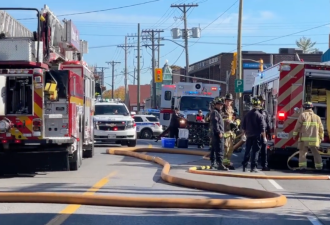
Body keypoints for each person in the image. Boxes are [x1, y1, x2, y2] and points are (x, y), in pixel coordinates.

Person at [292, 102, 324, 170]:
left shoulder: (302, 115)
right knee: (316, 153)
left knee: (303, 153)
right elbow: (321, 129)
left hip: (304, 139)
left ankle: (303, 167)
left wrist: (295, 135)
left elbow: (297, 126)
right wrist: (321, 137)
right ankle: (319, 167)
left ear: (304, 108)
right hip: (314, 140)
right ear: (311, 108)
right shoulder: (317, 117)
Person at [241, 96, 267, 172]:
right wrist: (264, 137)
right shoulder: (260, 115)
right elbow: (263, 128)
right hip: (257, 136)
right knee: (255, 151)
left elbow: (244, 126)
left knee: (247, 151)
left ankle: (244, 166)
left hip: (249, 135)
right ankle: (253, 167)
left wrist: (243, 135)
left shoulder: (247, 114)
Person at [210, 97, 228, 171]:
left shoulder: (217, 113)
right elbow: (215, 124)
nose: (221, 106)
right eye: (219, 105)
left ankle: (213, 163)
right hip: (217, 134)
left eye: (221, 105)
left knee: (214, 149)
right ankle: (220, 164)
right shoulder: (215, 112)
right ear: (215, 105)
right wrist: (219, 132)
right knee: (220, 149)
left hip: (215, 134)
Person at [221, 93, 236, 169]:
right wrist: (228, 121)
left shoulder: (232, 109)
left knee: (230, 149)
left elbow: (236, 118)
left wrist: (236, 123)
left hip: (231, 132)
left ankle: (227, 162)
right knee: (225, 148)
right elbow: (220, 119)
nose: (228, 102)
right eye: (227, 101)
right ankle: (223, 163)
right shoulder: (222, 109)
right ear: (225, 101)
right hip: (224, 131)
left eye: (229, 101)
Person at [258, 94, 271, 171]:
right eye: (261, 101)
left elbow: (267, 123)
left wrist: (268, 133)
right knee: (255, 151)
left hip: (264, 133)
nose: (262, 103)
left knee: (264, 151)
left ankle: (264, 165)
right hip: (257, 133)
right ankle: (253, 166)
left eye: (263, 101)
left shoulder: (265, 112)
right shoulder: (255, 111)